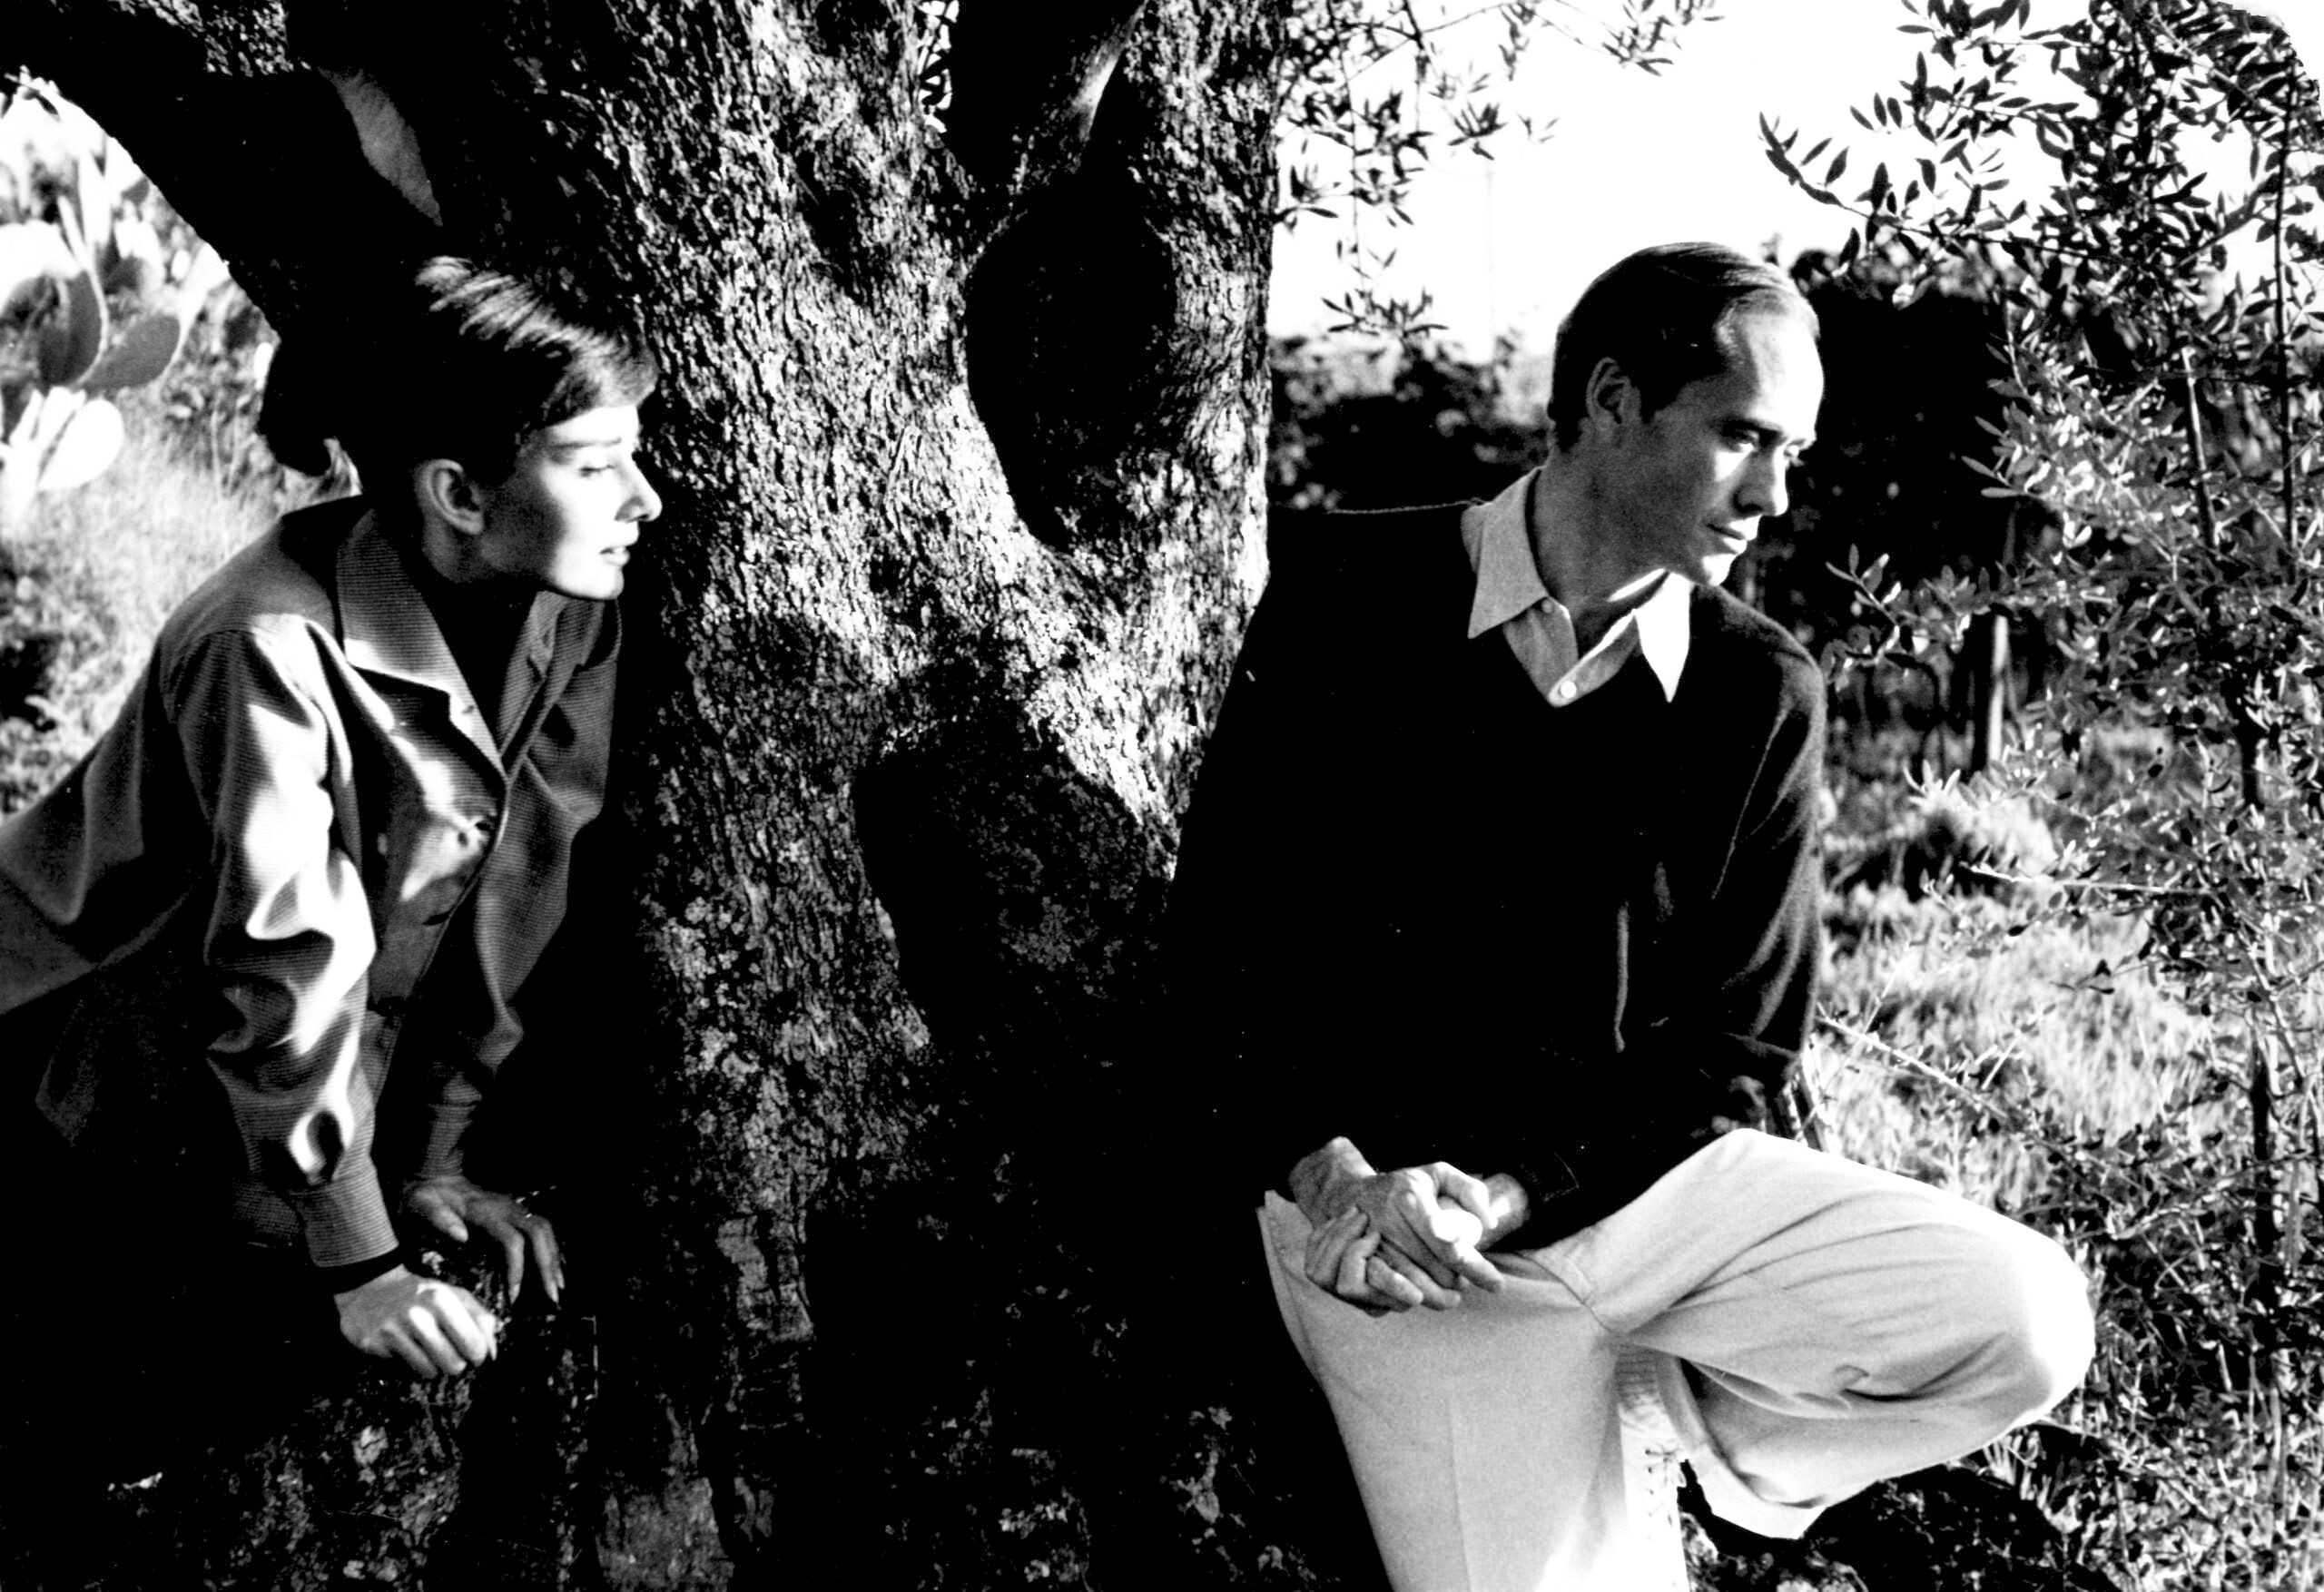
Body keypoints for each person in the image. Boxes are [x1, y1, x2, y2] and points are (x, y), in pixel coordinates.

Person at [1163, 241, 2094, 1590]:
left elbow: (1738, 1054)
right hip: (1404, 1259)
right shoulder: (1348, 594)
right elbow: (1219, 953)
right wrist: (1330, 1174)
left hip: (1642, 1203)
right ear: (1611, 400)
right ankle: (1597, 1408)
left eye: (1792, 451)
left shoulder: (1759, 690)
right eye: (1743, 437)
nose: (1774, 495)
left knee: (2028, 1320)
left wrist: (1515, 1188)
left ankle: (1715, 1434)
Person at [0, 256, 661, 1400]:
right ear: (459, 495)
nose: (643, 499)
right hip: (79, 1088)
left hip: (264, 1093)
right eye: (596, 465)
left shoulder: (565, 604)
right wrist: (363, 1263)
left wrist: (438, 1154)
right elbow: (282, 960)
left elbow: (522, 880)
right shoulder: (267, 644)